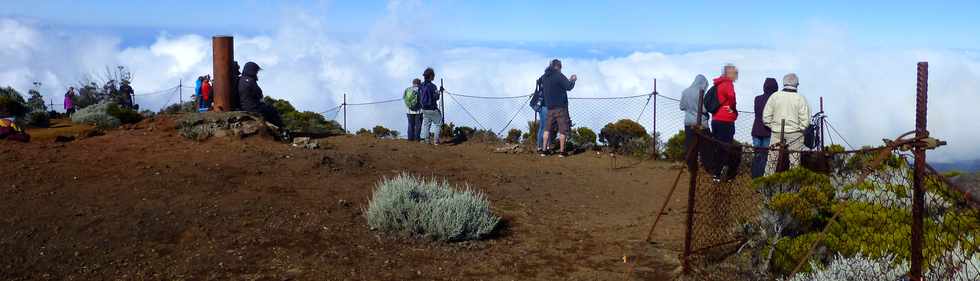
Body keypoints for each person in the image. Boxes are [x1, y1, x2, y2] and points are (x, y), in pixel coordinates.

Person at [764, 73, 811, 175]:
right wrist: (800, 129)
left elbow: (766, 117)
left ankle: (765, 187)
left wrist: (773, 126)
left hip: (776, 132)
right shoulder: (800, 98)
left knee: (771, 161)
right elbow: (806, 120)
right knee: (795, 162)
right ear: (797, 84)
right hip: (795, 133)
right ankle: (793, 188)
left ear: (783, 83)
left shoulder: (775, 96)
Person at [540, 59, 577, 157]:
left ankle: (544, 150)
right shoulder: (559, 76)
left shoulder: (544, 77)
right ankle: (561, 152)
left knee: (547, 129)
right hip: (560, 107)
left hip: (549, 107)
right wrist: (573, 80)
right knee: (562, 130)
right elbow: (568, 87)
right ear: (559, 66)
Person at [710, 63, 740, 181]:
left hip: (716, 119)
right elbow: (732, 97)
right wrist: (733, 109)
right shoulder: (728, 84)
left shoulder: (718, 84)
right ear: (729, 74)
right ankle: (721, 173)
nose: (736, 75)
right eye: (734, 73)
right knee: (726, 147)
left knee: (718, 146)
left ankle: (716, 172)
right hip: (725, 120)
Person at [238, 61, 284, 128]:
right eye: (256, 71)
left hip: (243, 107)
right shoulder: (251, 81)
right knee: (272, 110)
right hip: (253, 109)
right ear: (252, 70)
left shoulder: (240, 80)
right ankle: (281, 130)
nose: (257, 73)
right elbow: (259, 96)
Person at [751, 78, 779, 178]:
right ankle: (763, 178)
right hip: (768, 131)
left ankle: (755, 177)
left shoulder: (757, 99)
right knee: (766, 157)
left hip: (756, 130)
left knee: (757, 156)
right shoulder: (776, 101)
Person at [680, 74, 710, 166]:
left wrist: (690, 109)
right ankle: (706, 167)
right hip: (702, 124)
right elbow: (705, 109)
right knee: (706, 148)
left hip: (688, 123)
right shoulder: (702, 93)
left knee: (690, 147)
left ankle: (691, 168)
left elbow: (682, 107)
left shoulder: (685, 92)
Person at [529, 68, 557, 152]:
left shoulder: (542, 78)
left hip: (540, 105)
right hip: (545, 105)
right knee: (546, 127)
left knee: (542, 126)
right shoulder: (549, 80)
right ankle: (544, 146)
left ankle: (540, 146)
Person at [418, 68, 444, 145]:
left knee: (426, 124)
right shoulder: (433, 86)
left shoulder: (421, 85)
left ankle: (426, 140)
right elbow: (436, 97)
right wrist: (439, 92)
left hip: (424, 108)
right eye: (433, 75)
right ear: (430, 76)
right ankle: (436, 141)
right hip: (432, 108)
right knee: (438, 123)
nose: (434, 77)